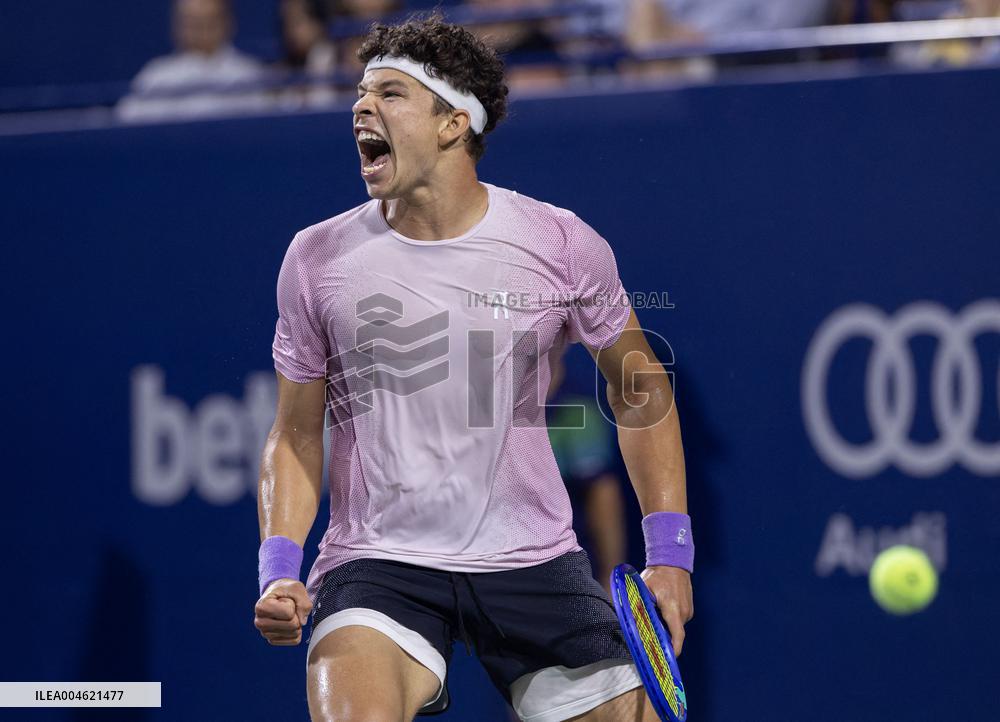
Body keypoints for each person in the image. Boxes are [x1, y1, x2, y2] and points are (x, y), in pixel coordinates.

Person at [253, 14, 694, 721]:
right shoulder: (315, 259)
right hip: (378, 562)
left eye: (389, 94)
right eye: (360, 95)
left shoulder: (560, 244)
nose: (361, 108)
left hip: (533, 560)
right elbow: (297, 433)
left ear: (453, 124)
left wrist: (669, 554)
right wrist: (279, 568)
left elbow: (641, 392)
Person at [546, 352, 627, 593]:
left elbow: (603, 495)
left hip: (563, 576)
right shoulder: (483, 406)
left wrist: (610, 579)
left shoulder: (580, 411)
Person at [116, 0, 266, 123]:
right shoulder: (156, 77)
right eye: (192, 22)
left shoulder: (250, 74)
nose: (201, 31)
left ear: (228, 22)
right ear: (177, 25)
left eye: (209, 21)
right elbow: (125, 119)